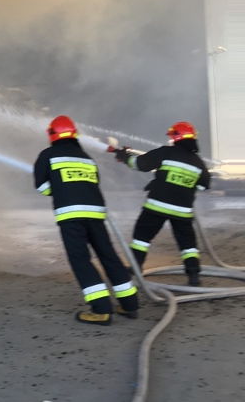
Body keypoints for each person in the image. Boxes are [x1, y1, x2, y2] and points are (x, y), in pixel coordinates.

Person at [33, 115, 139, 325]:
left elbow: (42, 186)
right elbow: (93, 182)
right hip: (96, 213)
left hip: (71, 215)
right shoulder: (86, 157)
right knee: (108, 255)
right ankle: (130, 304)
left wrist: (61, 190)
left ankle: (101, 309)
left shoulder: (48, 155)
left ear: (52, 135)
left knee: (80, 259)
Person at [112, 121, 211, 286]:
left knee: (142, 238)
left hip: (157, 206)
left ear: (176, 137)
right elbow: (203, 186)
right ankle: (194, 276)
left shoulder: (166, 152)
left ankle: (135, 268)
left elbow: (139, 164)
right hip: (182, 211)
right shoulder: (198, 163)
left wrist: (124, 156)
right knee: (188, 244)